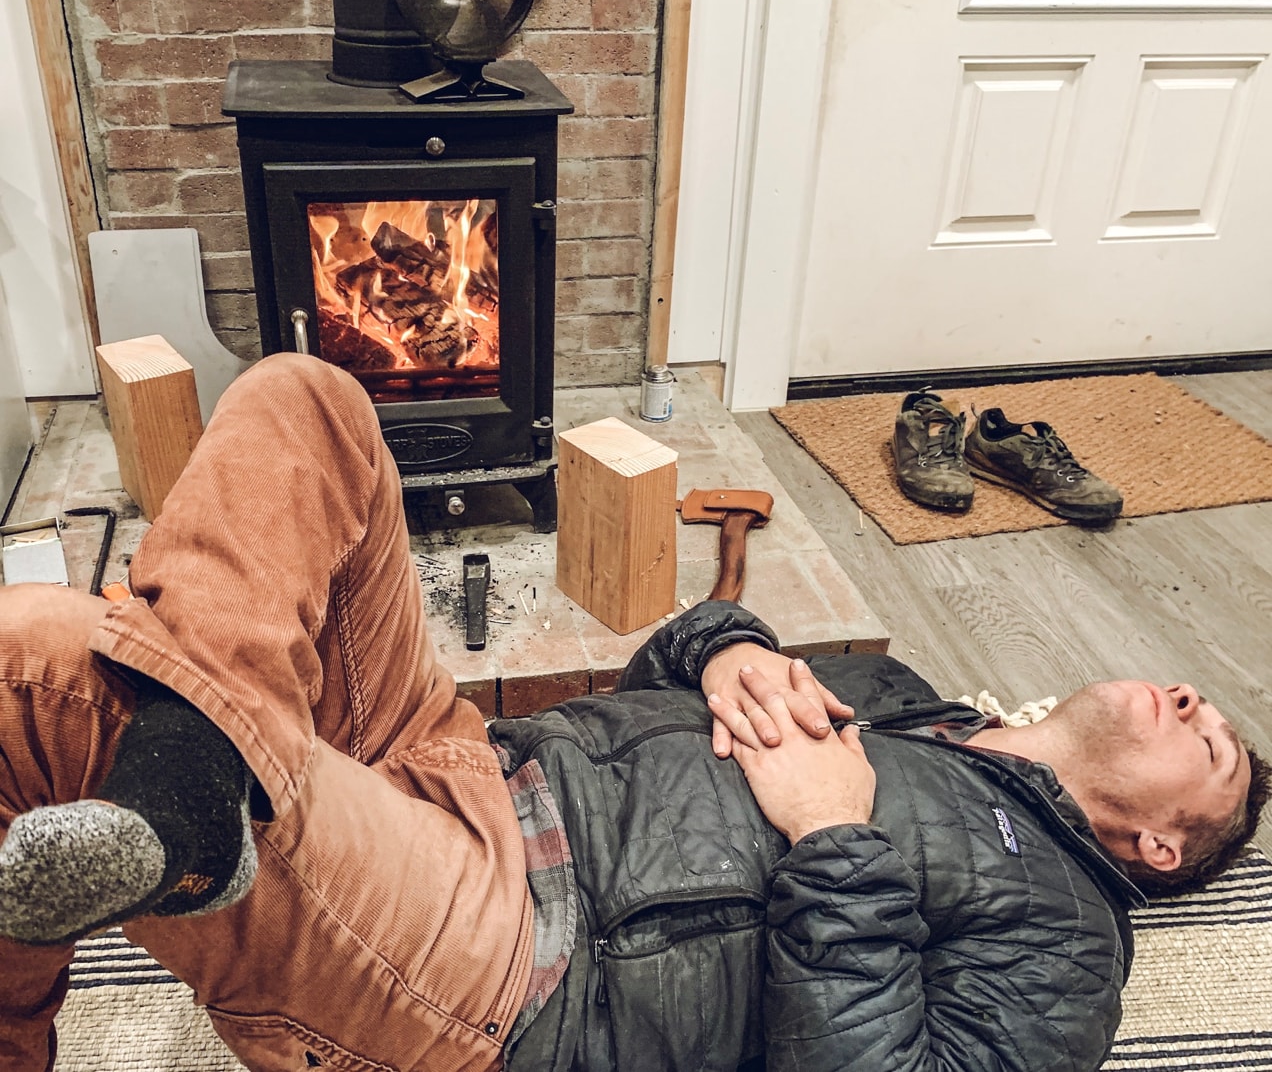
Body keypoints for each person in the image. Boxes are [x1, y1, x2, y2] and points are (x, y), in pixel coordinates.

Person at [0, 355, 1266, 1072]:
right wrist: (725, 645)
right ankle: (202, 758)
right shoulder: (908, 702)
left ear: (1162, 843)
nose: (1197, 700)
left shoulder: (1070, 946)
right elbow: (652, 690)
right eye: (1208, 705)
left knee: (40, 666)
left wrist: (837, 846)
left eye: (1209, 747)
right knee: (306, 398)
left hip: (513, 954)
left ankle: (191, 762)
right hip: (465, 759)